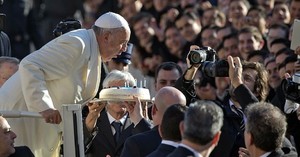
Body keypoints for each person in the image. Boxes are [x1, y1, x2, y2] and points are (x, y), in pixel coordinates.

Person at [0, 12, 130, 157]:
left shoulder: (92, 49)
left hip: (42, 127)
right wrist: (44, 106)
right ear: (106, 37)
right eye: (122, 42)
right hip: (20, 118)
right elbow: (30, 65)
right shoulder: (77, 43)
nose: (124, 48)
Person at [83, 70, 151, 157]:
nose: (119, 98)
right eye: (114, 92)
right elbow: (78, 149)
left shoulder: (140, 123)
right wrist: (88, 128)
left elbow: (151, 147)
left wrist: (142, 122)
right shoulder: (93, 122)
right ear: (105, 93)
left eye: (124, 92)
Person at [120, 86, 187, 157]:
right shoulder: (195, 146)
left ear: (153, 109)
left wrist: (141, 123)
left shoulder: (135, 144)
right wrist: (140, 123)